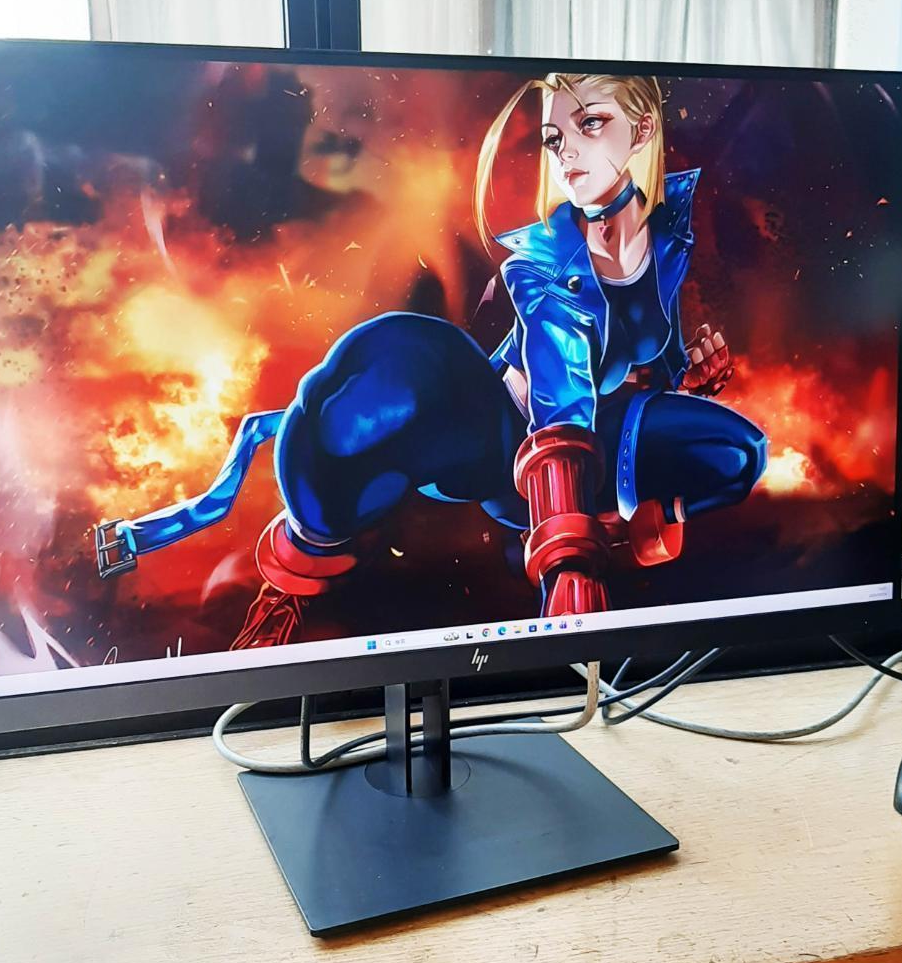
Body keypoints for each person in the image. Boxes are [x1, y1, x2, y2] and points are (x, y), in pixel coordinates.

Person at [96, 72, 766, 646]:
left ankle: (614, 522)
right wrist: (569, 574)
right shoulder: (541, 264)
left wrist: (690, 378)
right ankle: (296, 574)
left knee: (739, 454)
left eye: (590, 124)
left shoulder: (667, 237)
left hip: (599, 436)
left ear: (642, 130)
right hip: (503, 437)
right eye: (554, 137)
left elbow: (649, 353)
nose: (566, 153)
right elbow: (560, 394)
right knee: (393, 374)